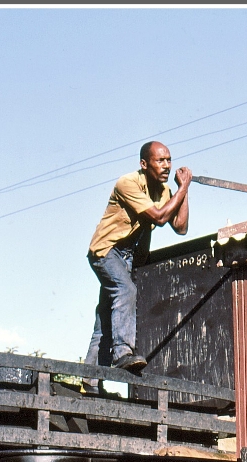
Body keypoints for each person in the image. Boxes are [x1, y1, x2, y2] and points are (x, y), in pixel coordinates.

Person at [82, 141, 192, 394]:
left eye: (169, 160)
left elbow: (181, 227)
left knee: (106, 319)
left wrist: (183, 190)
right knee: (126, 290)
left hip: (128, 257)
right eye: (160, 161)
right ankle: (123, 353)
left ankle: (89, 380)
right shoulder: (128, 183)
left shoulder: (164, 190)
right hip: (106, 251)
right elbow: (160, 217)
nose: (166, 166)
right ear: (144, 164)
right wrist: (183, 188)